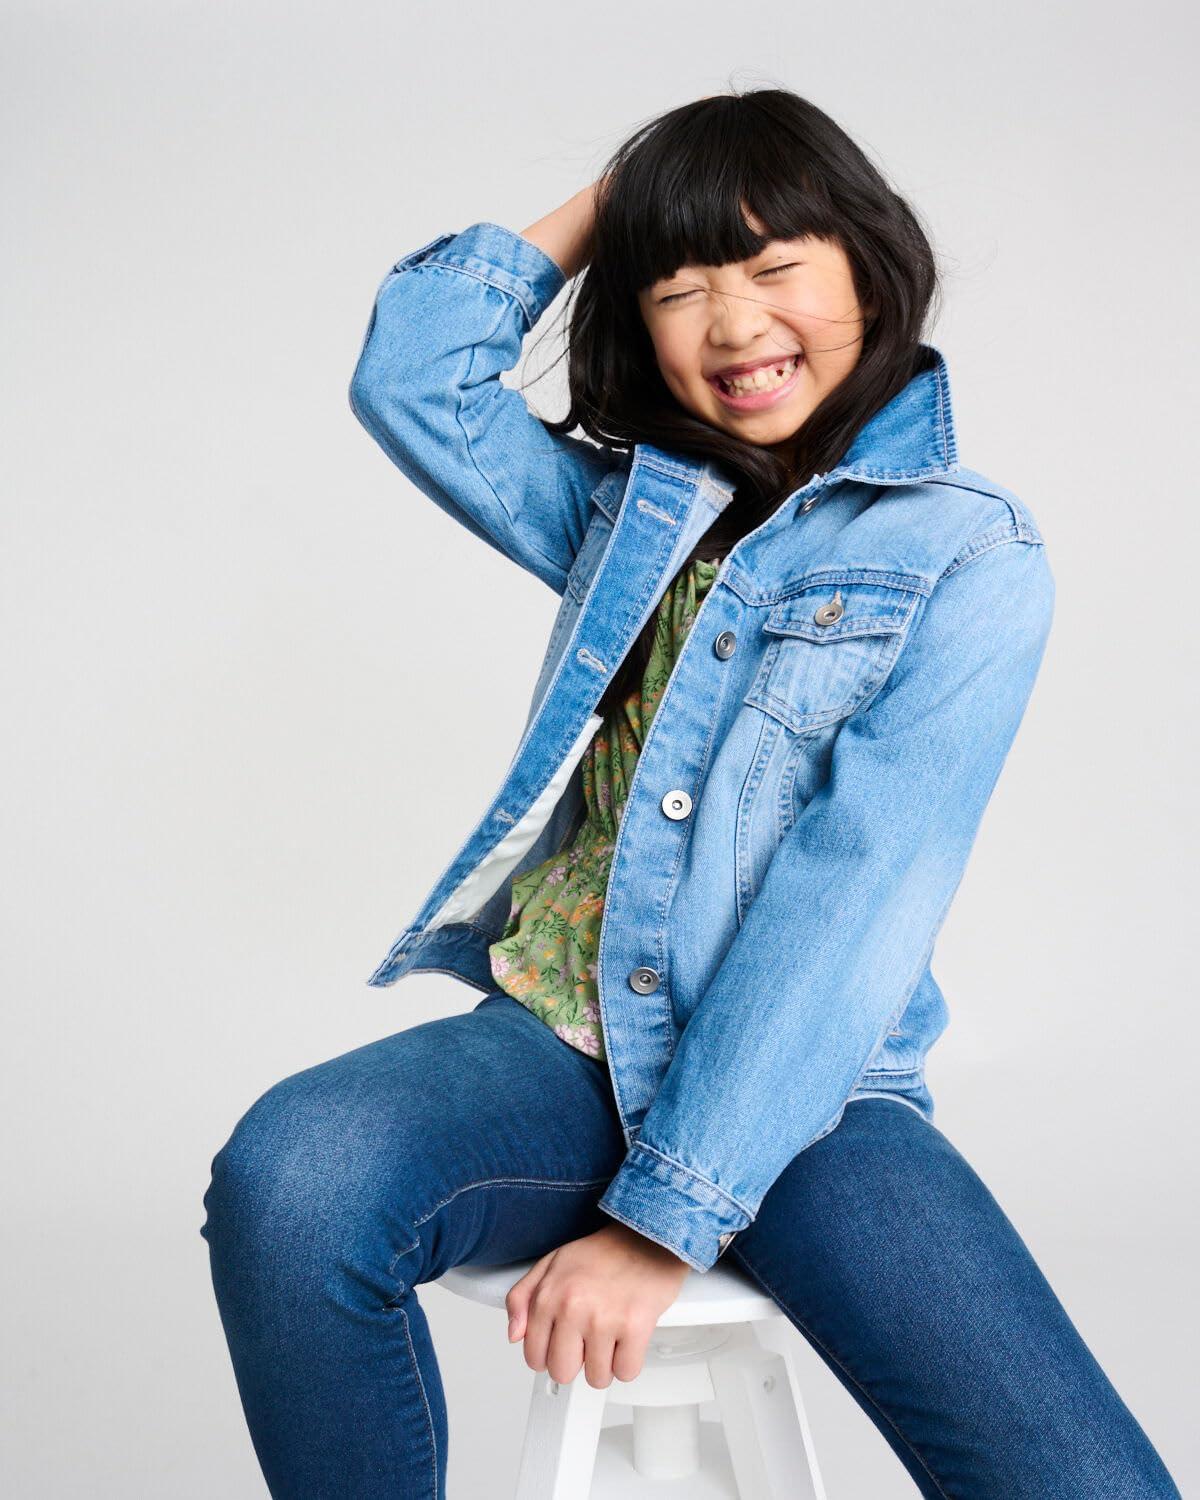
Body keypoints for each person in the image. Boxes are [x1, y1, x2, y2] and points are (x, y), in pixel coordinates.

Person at [200, 89, 1181, 1498]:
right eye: (678, 289)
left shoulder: (968, 558)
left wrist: (664, 1222)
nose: (734, 325)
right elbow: (415, 376)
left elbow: (852, 906)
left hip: (801, 1088)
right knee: (295, 1180)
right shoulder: (632, 514)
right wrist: (631, 193)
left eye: (776, 266)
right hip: (562, 1048)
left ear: (867, 265)